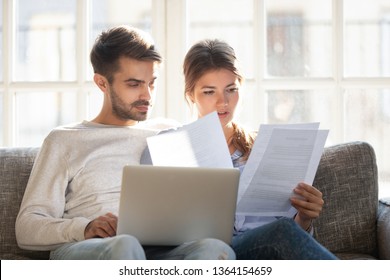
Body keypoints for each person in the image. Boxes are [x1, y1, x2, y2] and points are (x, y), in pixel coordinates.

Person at [15, 26, 235, 260]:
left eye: (152, 83)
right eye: (134, 84)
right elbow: (27, 227)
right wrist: (85, 227)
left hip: (160, 248)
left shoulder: (169, 132)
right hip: (92, 247)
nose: (147, 95)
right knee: (125, 245)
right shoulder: (64, 140)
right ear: (102, 83)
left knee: (214, 249)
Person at [143, 39, 337, 259]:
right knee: (279, 233)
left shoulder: (262, 147)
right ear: (191, 95)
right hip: (204, 251)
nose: (222, 102)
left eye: (231, 89)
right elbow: (150, 225)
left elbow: (291, 235)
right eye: (209, 92)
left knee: (282, 231)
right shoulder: (166, 147)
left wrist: (304, 217)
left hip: (261, 248)